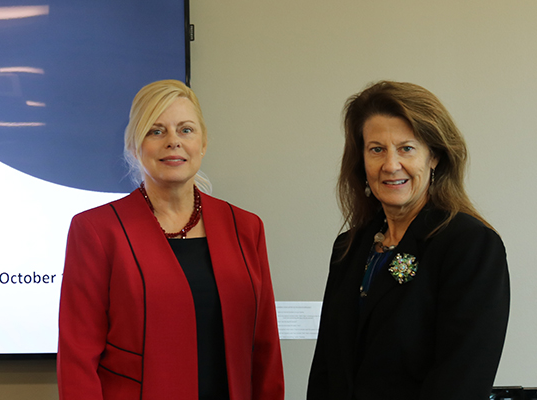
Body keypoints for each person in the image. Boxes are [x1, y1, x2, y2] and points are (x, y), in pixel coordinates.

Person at [57, 79, 284, 400]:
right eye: (156, 130)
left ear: (203, 144)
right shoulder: (96, 230)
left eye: (186, 130)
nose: (173, 141)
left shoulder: (247, 228)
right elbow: (78, 358)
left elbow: (265, 348)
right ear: (135, 147)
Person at [308, 81, 510, 400]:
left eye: (406, 148)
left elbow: (462, 382)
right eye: (377, 149)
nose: (391, 165)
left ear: (434, 157)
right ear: (361, 160)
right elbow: (326, 368)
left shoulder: (470, 245)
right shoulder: (349, 248)